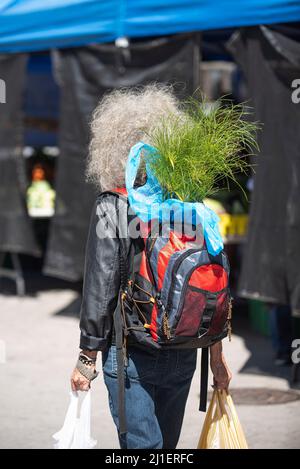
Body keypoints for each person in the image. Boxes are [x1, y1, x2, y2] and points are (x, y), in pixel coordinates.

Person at [70, 85, 232, 449]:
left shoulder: (114, 205)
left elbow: (101, 287)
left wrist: (86, 358)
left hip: (131, 355)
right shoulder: (189, 204)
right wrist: (217, 359)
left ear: (111, 147)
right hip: (186, 349)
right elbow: (214, 281)